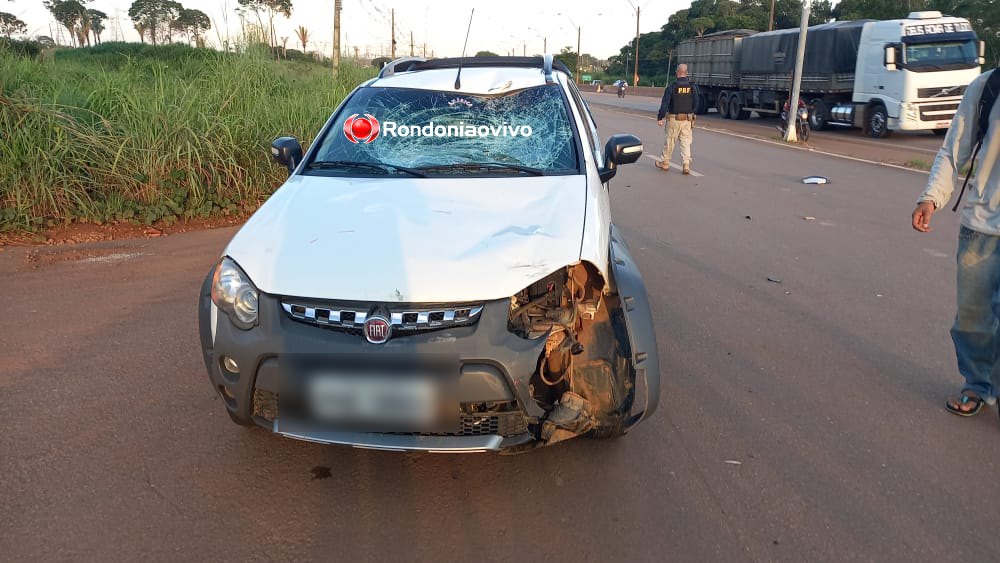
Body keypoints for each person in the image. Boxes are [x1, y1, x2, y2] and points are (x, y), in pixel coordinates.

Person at [912, 68, 1000, 417]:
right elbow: (954, 149)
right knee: (973, 320)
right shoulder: (987, 87)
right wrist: (931, 197)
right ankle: (977, 386)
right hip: (981, 224)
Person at [656, 64, 695, 175]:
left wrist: (660, 117)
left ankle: (665, 163)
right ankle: (686, 164)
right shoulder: (692, 87)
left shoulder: (672, 87)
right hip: (687, 120)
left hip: (673, 119)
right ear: (686, 73)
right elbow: (696, 103)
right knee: (686, 143)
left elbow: (665, 104)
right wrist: (691, 114)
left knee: (670, 141)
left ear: (677, 72)